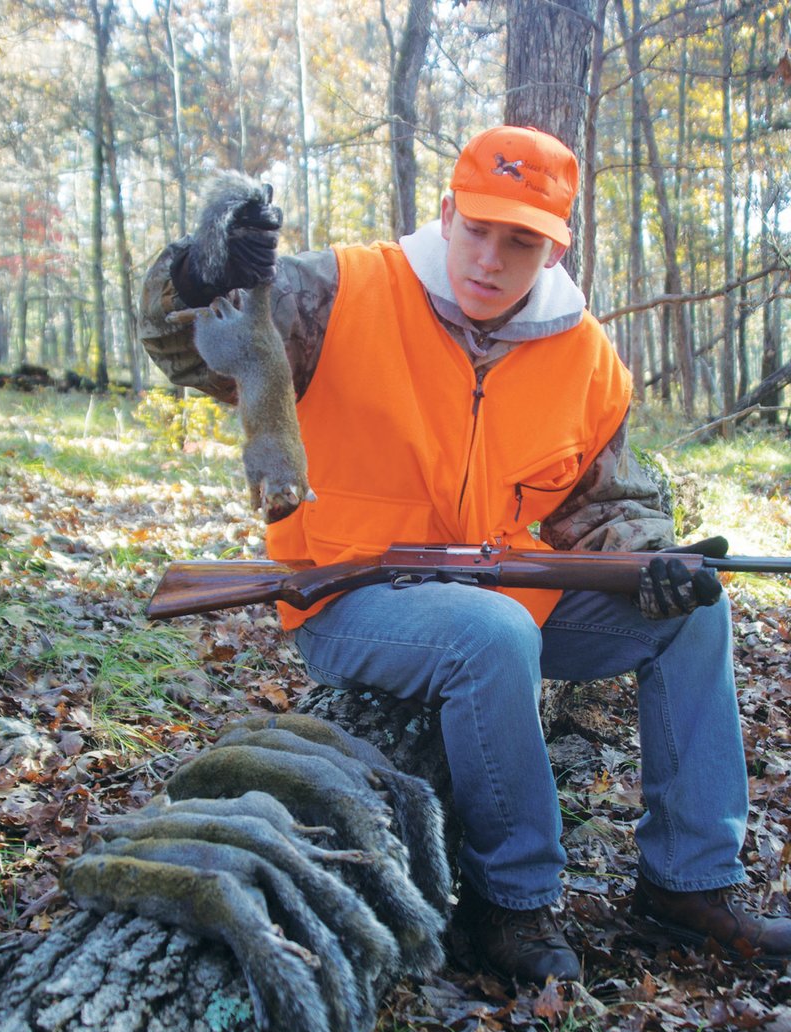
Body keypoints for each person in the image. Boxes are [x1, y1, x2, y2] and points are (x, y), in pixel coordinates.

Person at [139, 125, 791, 984]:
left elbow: (609, 505)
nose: (489, 257)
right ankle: (513, 902)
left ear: (556, 246)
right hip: (348, 594)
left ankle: (688, 881)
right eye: (476, 228)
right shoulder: (343, 291)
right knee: (491, 636)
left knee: (697, 617)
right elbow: (186, 343)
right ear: (445, 213)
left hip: (510, 596)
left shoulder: (585, 356)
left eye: (520, 240)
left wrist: (652, 564)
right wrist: (198, 269)